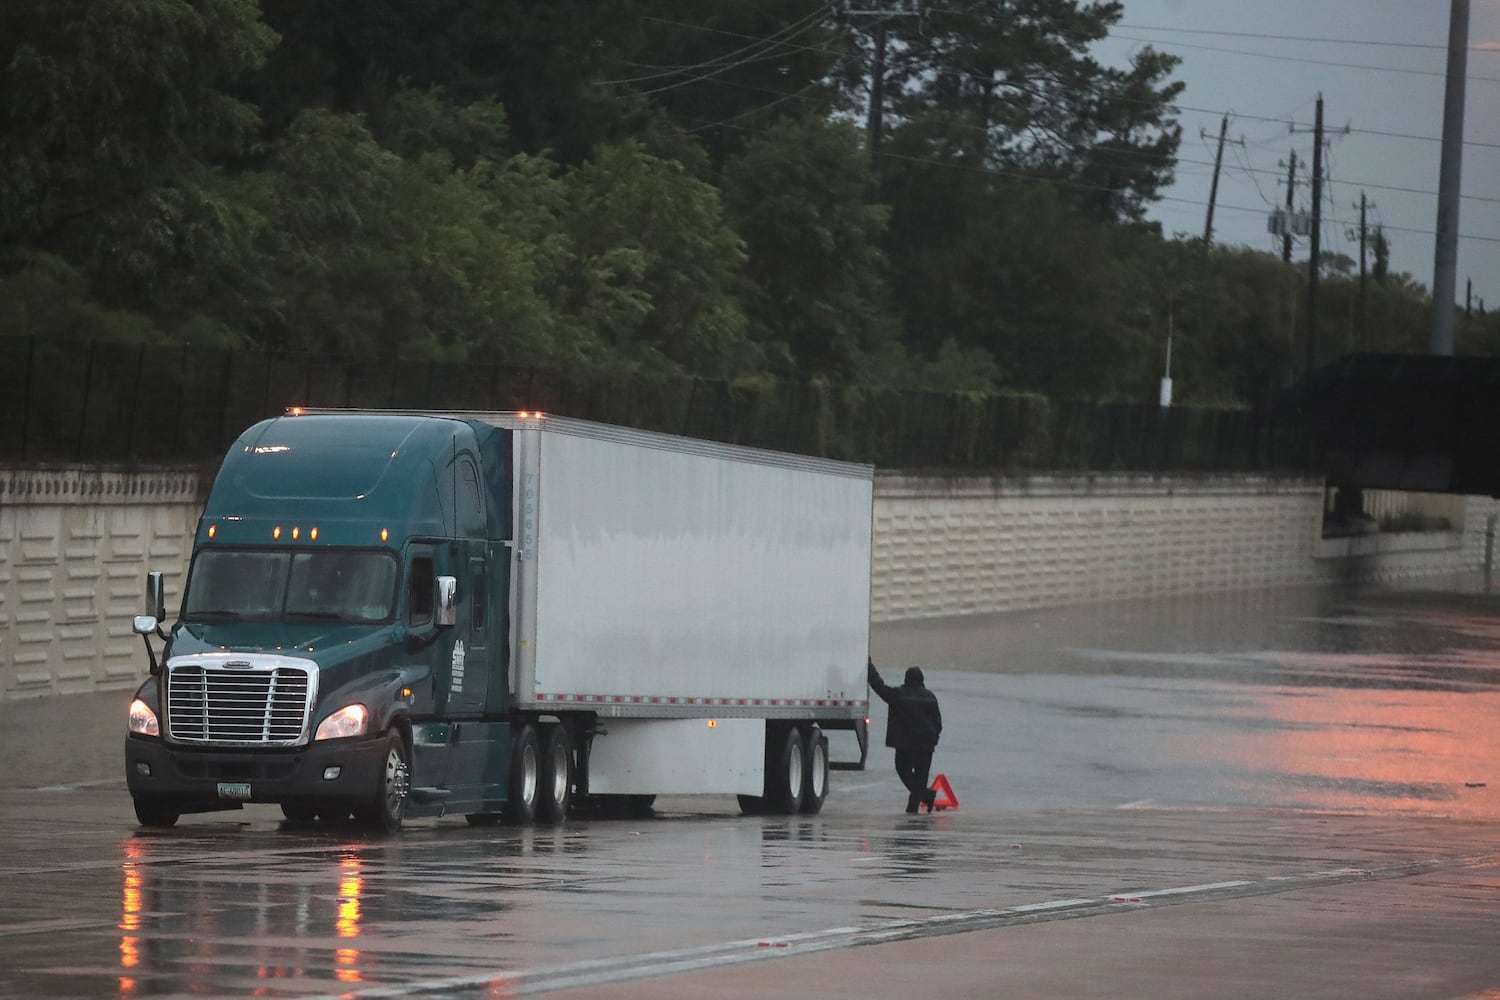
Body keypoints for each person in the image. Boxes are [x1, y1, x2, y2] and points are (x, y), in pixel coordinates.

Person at [867, 657, 943, 814]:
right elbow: (938, 723)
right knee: (921, 777)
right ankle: (914, 807)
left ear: (906, 679)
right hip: (926, 745)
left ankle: (922, 800)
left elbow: (878, 686)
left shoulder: (898, 695)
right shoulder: (931, 697)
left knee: (903, 771)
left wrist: (869, 667)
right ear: (922, 680)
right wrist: (934, 739)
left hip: (905, 745)